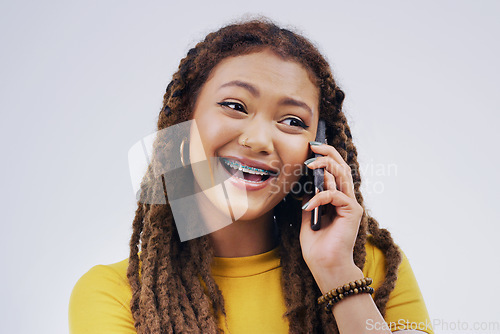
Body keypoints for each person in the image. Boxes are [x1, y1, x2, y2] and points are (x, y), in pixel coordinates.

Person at [69, 19, 434, 334]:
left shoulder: (370, 267)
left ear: (319, 146)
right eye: (235, 106)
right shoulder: (115, 293)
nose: (258, 140)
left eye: (292, 121)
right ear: (184, 121)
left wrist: (336, 273)